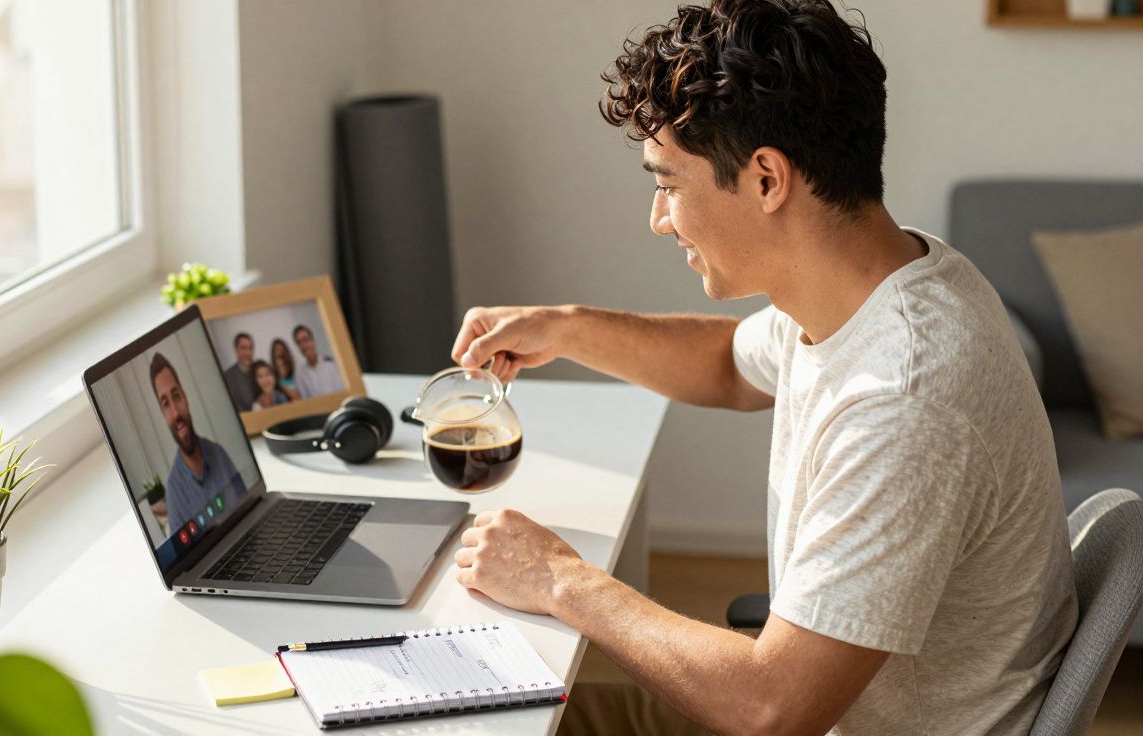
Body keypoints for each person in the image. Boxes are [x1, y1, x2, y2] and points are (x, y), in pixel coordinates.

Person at [448, 3, 1077, 735]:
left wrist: (558, 577)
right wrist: (563, 327)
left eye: (669, 183)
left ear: (768, 179)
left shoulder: (904, 397)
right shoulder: (885, 279)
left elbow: (770, 708)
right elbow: (729, 366)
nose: (659, 218)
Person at [150, 352, 247, 535]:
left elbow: (249, 506)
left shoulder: (218, 453)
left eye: (176, 396)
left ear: (185, 398)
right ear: (163, 414)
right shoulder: (174, 493)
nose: (176, 412)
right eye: (166, 403)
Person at [292, 324, 345, 399]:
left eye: (305, 340)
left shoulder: (331, 363)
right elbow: (305, 399)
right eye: (299, 342)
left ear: (313, 340)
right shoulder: (299, 373)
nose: (303, 346)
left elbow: (342, 390)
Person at [221, 332, 259, 412]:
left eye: (250, 348)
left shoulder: (260, 370)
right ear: (236, 350)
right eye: (244, 348)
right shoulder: (228, 376)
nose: (248, 353)